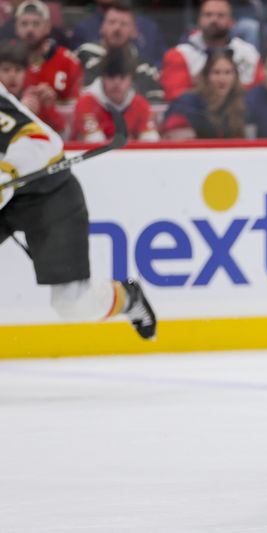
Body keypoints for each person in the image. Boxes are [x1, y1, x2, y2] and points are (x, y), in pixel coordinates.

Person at [0, 80, 157, 340]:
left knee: (72, 304)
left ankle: (128, 298)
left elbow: (38, 141)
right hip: (9, 189)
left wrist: (5, 174)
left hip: (47, 192)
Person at [160, 0, 263, 102]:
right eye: (208, 15)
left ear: (232, 22)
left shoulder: (249, 53)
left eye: (221, 15)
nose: (214, 20)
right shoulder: (180, 54)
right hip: (197, 116)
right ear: (199, 20)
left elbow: (261, 94)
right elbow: (174, 95)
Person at [75, 0, 163, 102]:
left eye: (124, 24)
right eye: (112, 22)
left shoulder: (145, 67)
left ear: (135, 32)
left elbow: (157, 102)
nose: (117, 28)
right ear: (102, 27)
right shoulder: (84, 54)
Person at [72, 47, 159, 142]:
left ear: (131, 80)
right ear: (102, 78)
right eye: (111, 76)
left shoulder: (140, 104)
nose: (116, 83)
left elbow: (151, 140)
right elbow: (94, 142)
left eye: (122, 77)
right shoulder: (86, 103)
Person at [161, 50, 245, 140]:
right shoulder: (187, 103)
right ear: (206, 76)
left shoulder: (243, 104)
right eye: (216, 72)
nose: (222, 79)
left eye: (228, 72)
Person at [15, 0, 82, 103]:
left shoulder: (68, 61)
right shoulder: (6, 60)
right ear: (16, 27)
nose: (30, 29)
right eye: (24, 24)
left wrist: (55, 103)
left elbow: (77, 105)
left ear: (48, 27)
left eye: (36, 23)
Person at [0, 40, 64, 133]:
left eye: (18, 70)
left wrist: (48, 108)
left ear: (26, 73)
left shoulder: (34, 97)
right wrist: (22, 112)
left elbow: (60, 132)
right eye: (6, 70)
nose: (12, 75)